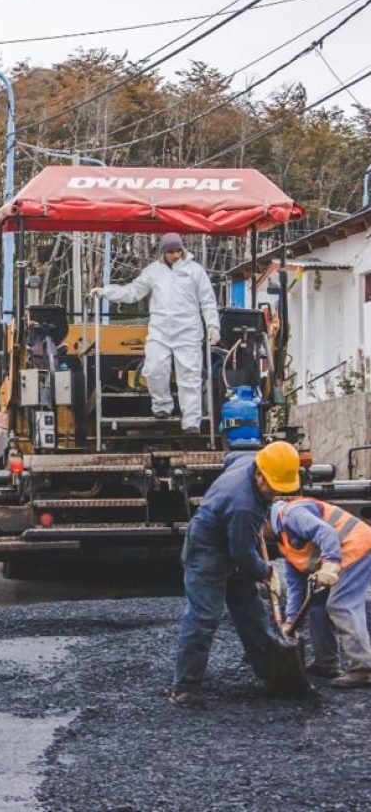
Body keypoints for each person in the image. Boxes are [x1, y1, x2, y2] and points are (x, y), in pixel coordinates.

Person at [170, 441, 301, 707]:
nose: (275, 494)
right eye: (272, 488)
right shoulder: (243, 505)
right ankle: (184, 688)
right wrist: (266, 571)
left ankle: (271, 673)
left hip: (232, 535)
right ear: (259, 475)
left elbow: (230, 457)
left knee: (250, 609)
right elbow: (241, 553)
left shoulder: (249, 460)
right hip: (207, 548)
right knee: (204, 616)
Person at [90, 232, 220, 434]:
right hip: (160, 331)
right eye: (171, 252)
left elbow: (208, 300)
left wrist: (213, 325)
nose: (175, 255)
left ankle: (191, 421)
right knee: (154, 369)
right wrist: (106, 292)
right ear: (163, 252)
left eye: (178, 251)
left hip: (188, 332)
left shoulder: (195, 271)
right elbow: (133, 291)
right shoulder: (153, 272)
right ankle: (162, 406)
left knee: (190, 376)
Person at [267, 497, 371, 688]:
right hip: (340, 554)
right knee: (318, 607)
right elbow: (295, 586)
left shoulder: (291, 514)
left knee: (341, 604)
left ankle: (363, 669)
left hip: (357, 547)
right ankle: (326, 664)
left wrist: (331, 562)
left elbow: (327, 532)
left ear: (264, 521)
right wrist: (290, 621)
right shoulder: (284, 540)